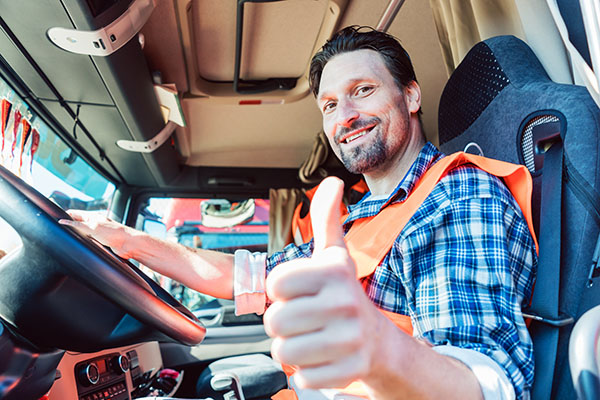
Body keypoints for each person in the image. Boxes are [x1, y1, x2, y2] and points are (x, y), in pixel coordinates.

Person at [60, 26, 537, 400]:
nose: (344, 115)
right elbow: (243, 276)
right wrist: (127, 242)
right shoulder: (361, 217)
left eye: (363, 90)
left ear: (410, 96)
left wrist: (380, 349)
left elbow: (483, 383)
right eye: (329, 104)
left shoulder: (457, 197)